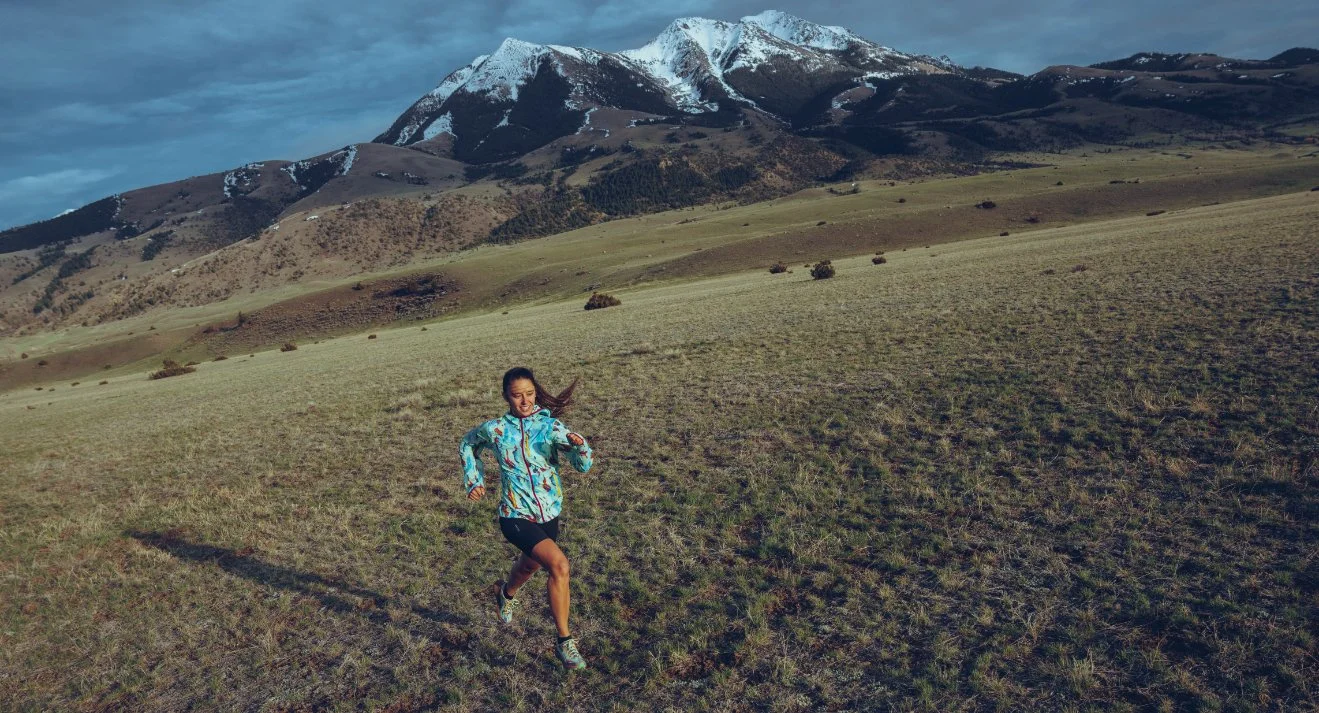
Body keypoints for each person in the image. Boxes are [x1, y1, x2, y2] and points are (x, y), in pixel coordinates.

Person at [459, 366, 594, 670]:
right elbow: (468, 444)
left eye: (530, 394)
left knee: (531, 563)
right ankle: (565, 642)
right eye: (517, 395)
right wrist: (475, 480)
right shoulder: (494, 430)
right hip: (514, 514)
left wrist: (580, 446)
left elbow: (582, 466)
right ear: (506, 396)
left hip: (548, 512)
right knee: (559, 565)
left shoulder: (551, 428)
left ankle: (506, 594)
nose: (525, 401)